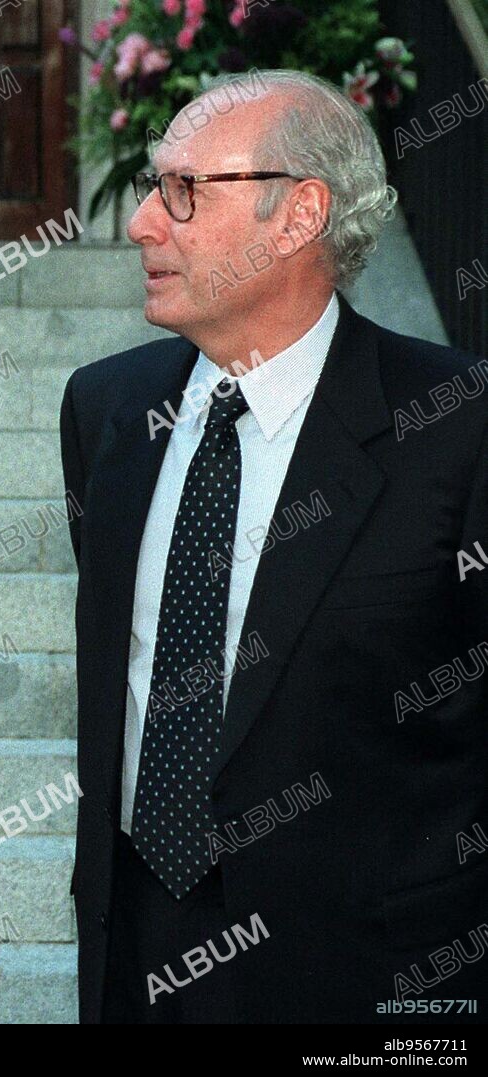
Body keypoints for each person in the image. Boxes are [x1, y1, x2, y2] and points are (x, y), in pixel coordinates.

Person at [59, 69, 487, 1024]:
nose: (140, 223)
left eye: (181, 191)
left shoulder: (456, 427)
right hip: (134, 952)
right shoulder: (109, 412)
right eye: (149, 185)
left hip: (366, 974)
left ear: (298, 216)